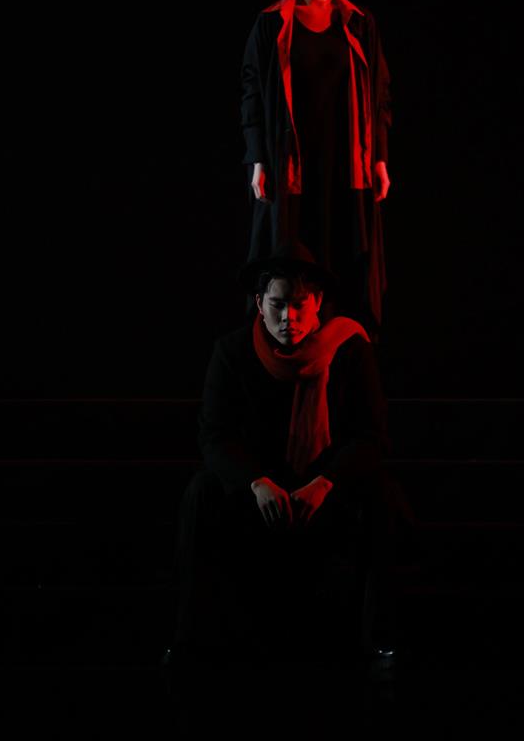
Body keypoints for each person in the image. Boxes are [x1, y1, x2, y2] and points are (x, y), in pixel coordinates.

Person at [161, 242, 409, 673]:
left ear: (317, 303)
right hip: (260, 493)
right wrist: (256, 482)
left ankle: (379, 639)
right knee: (200, 494)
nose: (288, 318)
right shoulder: (232, 352)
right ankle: (190, 641)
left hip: (325, 489)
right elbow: (214, 435)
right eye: (277, 305)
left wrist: (326, 482)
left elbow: (372, 437)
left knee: (383, 498)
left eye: (298, 305)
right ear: (260, 303)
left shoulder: (349, 349)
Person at [241, 0, 392, 335]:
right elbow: (251, 94)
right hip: (288, 160)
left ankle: (341, 345)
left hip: (346, 159)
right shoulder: (271, 22)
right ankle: (287, 339)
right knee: (290, 249)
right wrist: (257, 159)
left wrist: (380, 158)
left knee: (346, 248)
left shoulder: (359, 23)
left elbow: (380, 94)